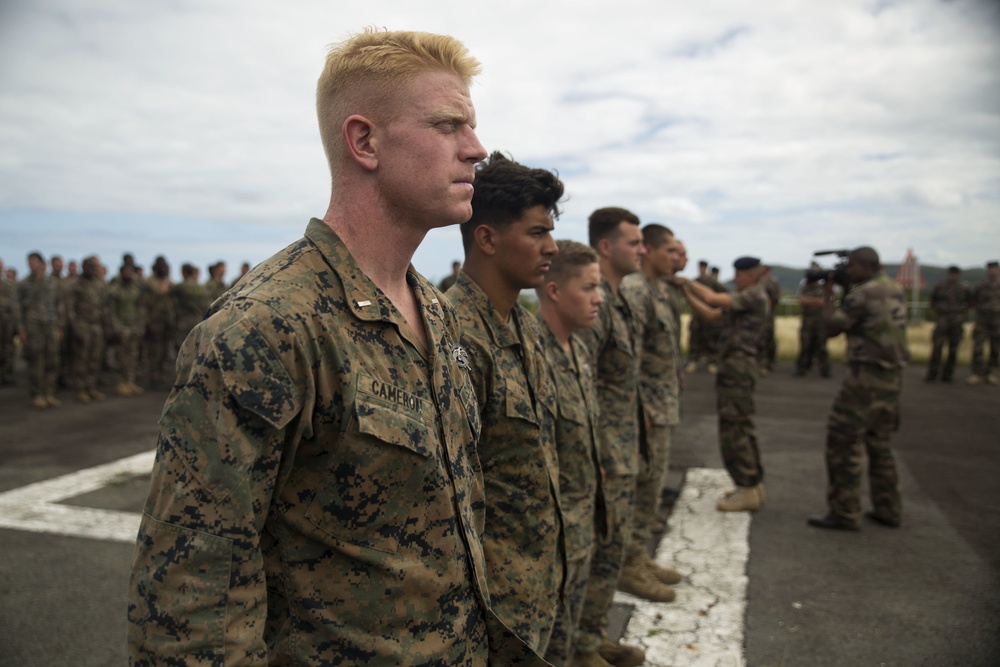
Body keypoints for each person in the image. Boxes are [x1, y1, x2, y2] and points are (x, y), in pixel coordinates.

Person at [128, 29, 545, 666]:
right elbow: (191, 601)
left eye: (472, 126)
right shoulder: (267, 327)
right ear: (365, 141)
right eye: (447, 125)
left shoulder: (435, 312)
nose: (476, 149)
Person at [446, 151, 565, 654]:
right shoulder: (453, 337)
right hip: (490, 607)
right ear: (488, 238)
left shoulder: (525, 327)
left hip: (535, 583)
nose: (552, 247)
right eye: (537, 232)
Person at [575, 206, 662, 667]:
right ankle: (583, 647)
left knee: (610, 553)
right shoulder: (599, 304)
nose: (642, 250)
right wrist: (600, 452)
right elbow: (582, 382)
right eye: (634, 242)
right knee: (598, 553)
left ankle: (594, 638)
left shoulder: (617, 298)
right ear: (606, 247)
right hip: (605, 452)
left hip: (622, 447)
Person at [534, 240, 608, 667]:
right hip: (552, 539)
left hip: (581, 525)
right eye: (590, 287)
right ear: (556, 291)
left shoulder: (578, 348)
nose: (599, 298)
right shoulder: (535, 354)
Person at [808, 246, 907, 531]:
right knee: (880, 443)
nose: (847, 271)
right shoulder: (891, 287)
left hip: (866, 377)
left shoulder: (862, 293)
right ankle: (888, 508)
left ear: (864, 266)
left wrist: (829, 293)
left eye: (851, 266)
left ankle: (844, 511)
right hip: (893, 378)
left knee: (842, 440)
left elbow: (831, 327)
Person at [675, 256, 770, 512]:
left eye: (739, 274)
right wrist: (687, 294)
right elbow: (712, 315)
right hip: (733, 367)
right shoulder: (744, 298)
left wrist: (689, 282)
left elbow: (715, 300)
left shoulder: (754, 295)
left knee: (735, 428)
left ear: (752, 275)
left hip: (738, 368)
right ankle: (750, 484)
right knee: (737, 425)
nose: (735, 279)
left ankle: (748, 486)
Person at [619, 224, 684, 595]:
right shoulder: (636, 290)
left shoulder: (659, 289)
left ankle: (638, 555)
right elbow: (632, 355)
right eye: (669, 251)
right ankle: (628, 565)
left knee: (653, 487)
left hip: (663, 405)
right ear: (651, 252)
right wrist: (638, 407)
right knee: (642, 488)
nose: (674, 258)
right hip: (647, 410)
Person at [17, 252, 65, 409]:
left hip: (51, 325)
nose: (31, 265)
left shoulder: (53, 283)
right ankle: (37, 394)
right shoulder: (24, 284)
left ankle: (49, 393)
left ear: (42, 264)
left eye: (34, 262)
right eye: (29, 262)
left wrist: (60, 326)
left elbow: (60, 305)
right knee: (36, 361)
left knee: (52, 360)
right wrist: (21, 329)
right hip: (33, 326)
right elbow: (17, 308)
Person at [66, 255, 111, 403]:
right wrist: (74, 329)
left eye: (94, 267)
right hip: (82, 324)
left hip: (97, 325)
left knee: (95, 358)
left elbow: (104, 307)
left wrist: (106, 326)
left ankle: (91, 387)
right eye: (89, 267)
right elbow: (70, 309)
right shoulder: (75, 285)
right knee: (81, 359)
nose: (92, 270)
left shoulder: (99, 284)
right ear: (83, 267)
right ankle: (80, 390)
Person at [926, 266, 970, 382]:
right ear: (948, 274)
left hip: (956, 321)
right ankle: (932, 373)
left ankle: (948, 374)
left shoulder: (964, 288)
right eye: (951, 274)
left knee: (953, 349)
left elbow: (969, 303)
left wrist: (959, 312)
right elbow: (932, 301)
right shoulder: (940, 287)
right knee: (937, 348)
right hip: (942, 321)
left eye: (955, 274)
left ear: (958, 275)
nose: (953, 277)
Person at [108, 263, 147, 396]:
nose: (129, 274)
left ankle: (130, 382)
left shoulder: (135, 290)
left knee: (133, 356)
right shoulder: (114, 290)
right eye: (126, 272)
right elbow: (111, 311)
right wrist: (116, 328)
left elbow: (141, 309)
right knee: (121, 356)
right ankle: (121, 382)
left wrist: (140, 326)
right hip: (121, 327)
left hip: (133, 326)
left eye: (131, 272)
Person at [142, 255, 175, 388]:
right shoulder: (149, 281)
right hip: (154, 320)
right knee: (154, 350)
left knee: (165, 350)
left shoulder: (168, 281)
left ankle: (160, 374)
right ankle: (153, 375)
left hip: (167, 319)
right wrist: (166, 281)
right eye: (161, 266)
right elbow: (161, 292)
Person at [966, 260, 1000, 385]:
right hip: (982, 322)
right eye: (989, 269)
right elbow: (973, 302)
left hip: (997, 323)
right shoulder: (981, 286)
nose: (991, 271)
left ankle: (990, 373)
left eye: (994, 269)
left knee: (995, 349)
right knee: (978, 348)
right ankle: (976, 373)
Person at [795, 270, 831, 377]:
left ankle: (825, 370)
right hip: (807, 322)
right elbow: (802, 300)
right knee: (804, 346)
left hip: (819, 322)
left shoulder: (821, 287)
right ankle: (801, 368)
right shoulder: (805, 287)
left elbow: (822, 302)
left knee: (821, 347)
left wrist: (810, 301)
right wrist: (815, 301)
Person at [171, 262, 210, 348]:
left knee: (182, 347)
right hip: (198, 322)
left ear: (184, 272)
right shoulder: (202, 288)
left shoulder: (181, 286)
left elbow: (164, 293)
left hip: (184, 322)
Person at [757, 266, 781, 375]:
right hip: (759, 316)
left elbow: (775, 299)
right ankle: (762, 362)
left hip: (768, 315)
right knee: (760, 339)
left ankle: (768, 362)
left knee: (768, 338)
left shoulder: (772, 283)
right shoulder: (758, 283)